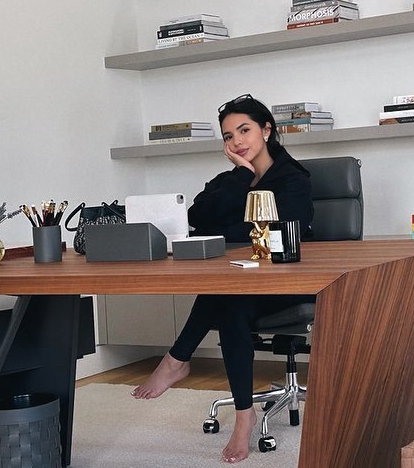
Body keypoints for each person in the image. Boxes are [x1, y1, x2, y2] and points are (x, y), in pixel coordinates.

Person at [131, 94, 314, 463]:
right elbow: (197, 217)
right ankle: (244, 416)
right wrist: (243, 176)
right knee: (231, 300)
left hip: (287, 284)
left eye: (244, 130)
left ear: (266, 130)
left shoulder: (293, 179)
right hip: (239, 284)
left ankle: (177, 360)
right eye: (229, 136)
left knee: (228, 295)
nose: (237, 141)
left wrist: (228, 228)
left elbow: (274, 233)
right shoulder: (230, 179)